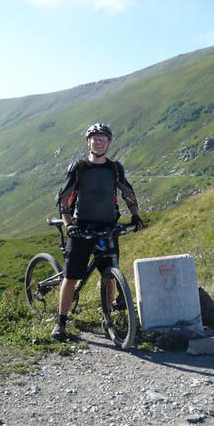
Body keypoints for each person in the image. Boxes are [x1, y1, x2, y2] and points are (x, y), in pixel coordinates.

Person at [52, 122, 144, 340]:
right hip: (81, 228)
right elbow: (64, 199)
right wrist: (69, 225)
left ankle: (107, 317)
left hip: (107, 229)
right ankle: (61, 322)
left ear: (109, 143)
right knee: (71, 277)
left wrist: (136, 215)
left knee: (110, 275)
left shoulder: (115, 168)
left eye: (103, 138)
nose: (99, 142)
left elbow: (128, 192)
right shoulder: (80, 167)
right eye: (95, 138)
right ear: (88, 142)